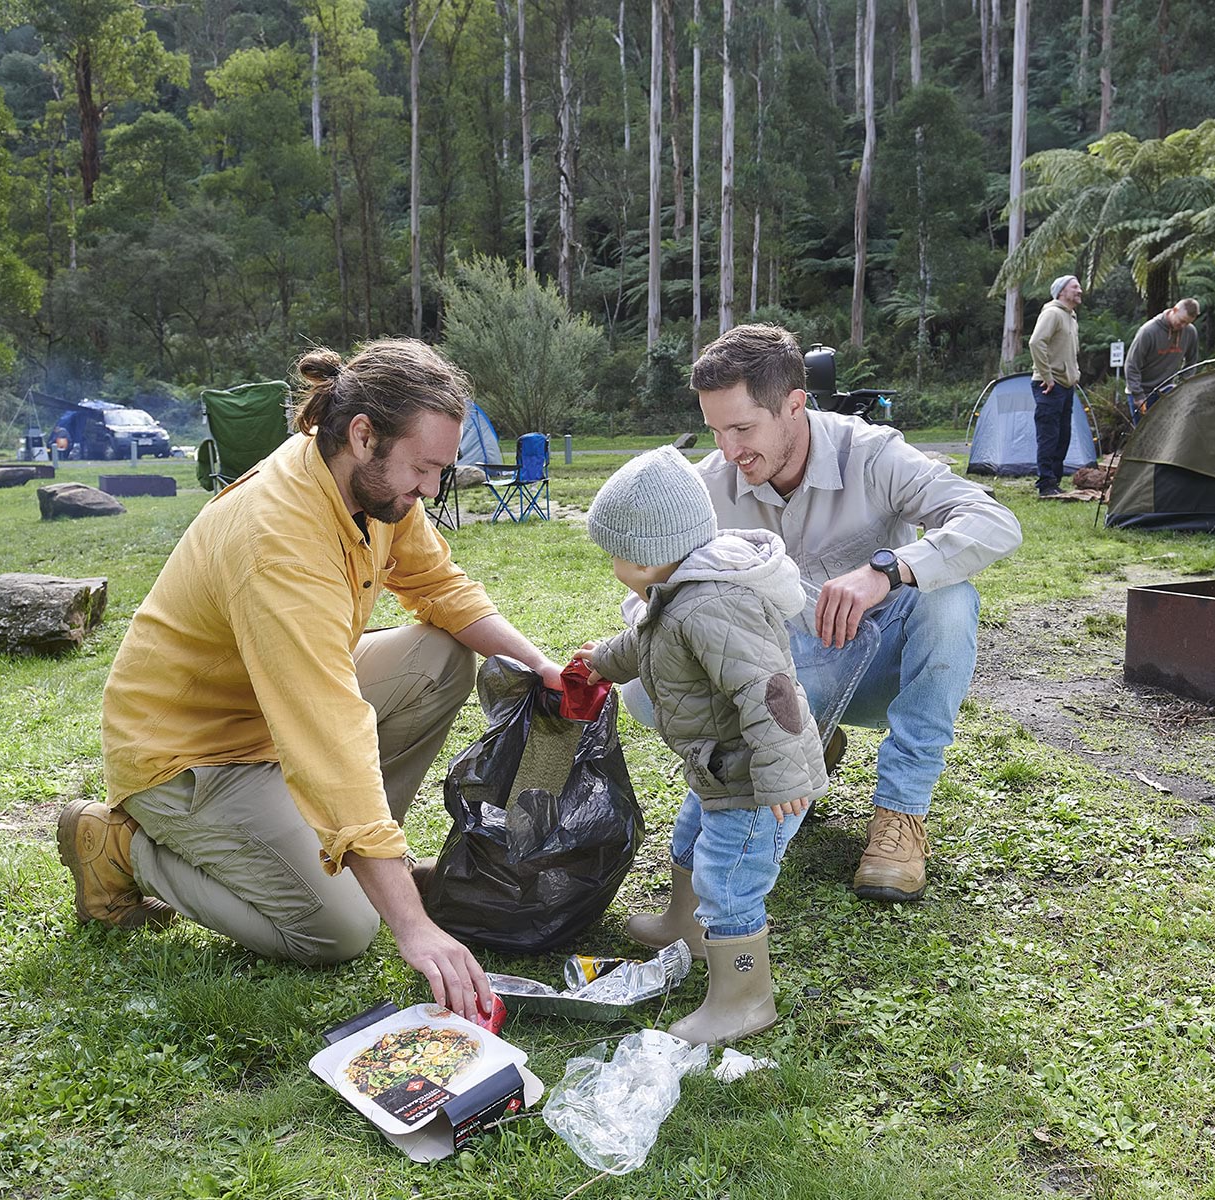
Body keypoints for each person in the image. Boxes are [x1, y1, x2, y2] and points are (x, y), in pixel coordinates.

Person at [59, 338, 564, 1020]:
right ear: (363, 435)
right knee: (341, 931)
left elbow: (439, 587)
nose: (433, 489)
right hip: (193, 754)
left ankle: (349, 857)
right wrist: (413, 927)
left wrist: (539, 666)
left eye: (442, 469)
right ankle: (120, 847)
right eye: (425, 467)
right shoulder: (278, 538)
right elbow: (327, 730)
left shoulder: (373, 488)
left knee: (438, 660)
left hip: (275, 712)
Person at [668, 323, 1022, 904]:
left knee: (950, 597)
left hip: (878, 669)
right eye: (715, 431)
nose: (729, 451)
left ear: (793, 406)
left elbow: (995, 523)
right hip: (776, 686)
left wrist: (888, 570)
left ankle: (899, 818)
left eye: (742, 428)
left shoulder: (873, 453)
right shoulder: (708, 484)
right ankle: (807, 740)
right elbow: (654, 593)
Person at [576, 447, 825, 1045]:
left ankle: (744, 998)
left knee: (731, 879)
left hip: (754, 781)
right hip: (718, 771)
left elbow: (770, 691)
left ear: (646, 553)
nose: (612, 562)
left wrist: (787, 777)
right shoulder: (676, 595)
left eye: (615, 551)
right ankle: (684, 926)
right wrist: (601, 663)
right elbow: (645, 644)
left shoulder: (713, 603)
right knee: (690, 840)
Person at [1027, 274, 1083, 498]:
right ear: (1062, 292)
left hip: (1066, 386)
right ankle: (1046, 483)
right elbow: (1035, 342)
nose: (1080, 291)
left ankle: (1055, 481)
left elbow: (1069, 352)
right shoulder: (1052, 313)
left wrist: (1074, 375)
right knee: (1049, 435)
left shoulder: (1071, 317)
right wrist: (1047, 376)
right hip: (1049, 386)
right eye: (1075, 287)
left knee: (1063, 436)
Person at [1125, 298, 1201, 425]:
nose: (1183, 326)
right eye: (1181, 321)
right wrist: (1138, 395)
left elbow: (1191, 362)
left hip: (1166, 390)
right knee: (1143, 434)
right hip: (1141, 391)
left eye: (1187, 323)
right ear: (1174, 310)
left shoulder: (1190, 332)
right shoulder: (1148, 331)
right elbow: (1132, 365)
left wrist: (1183, 385)